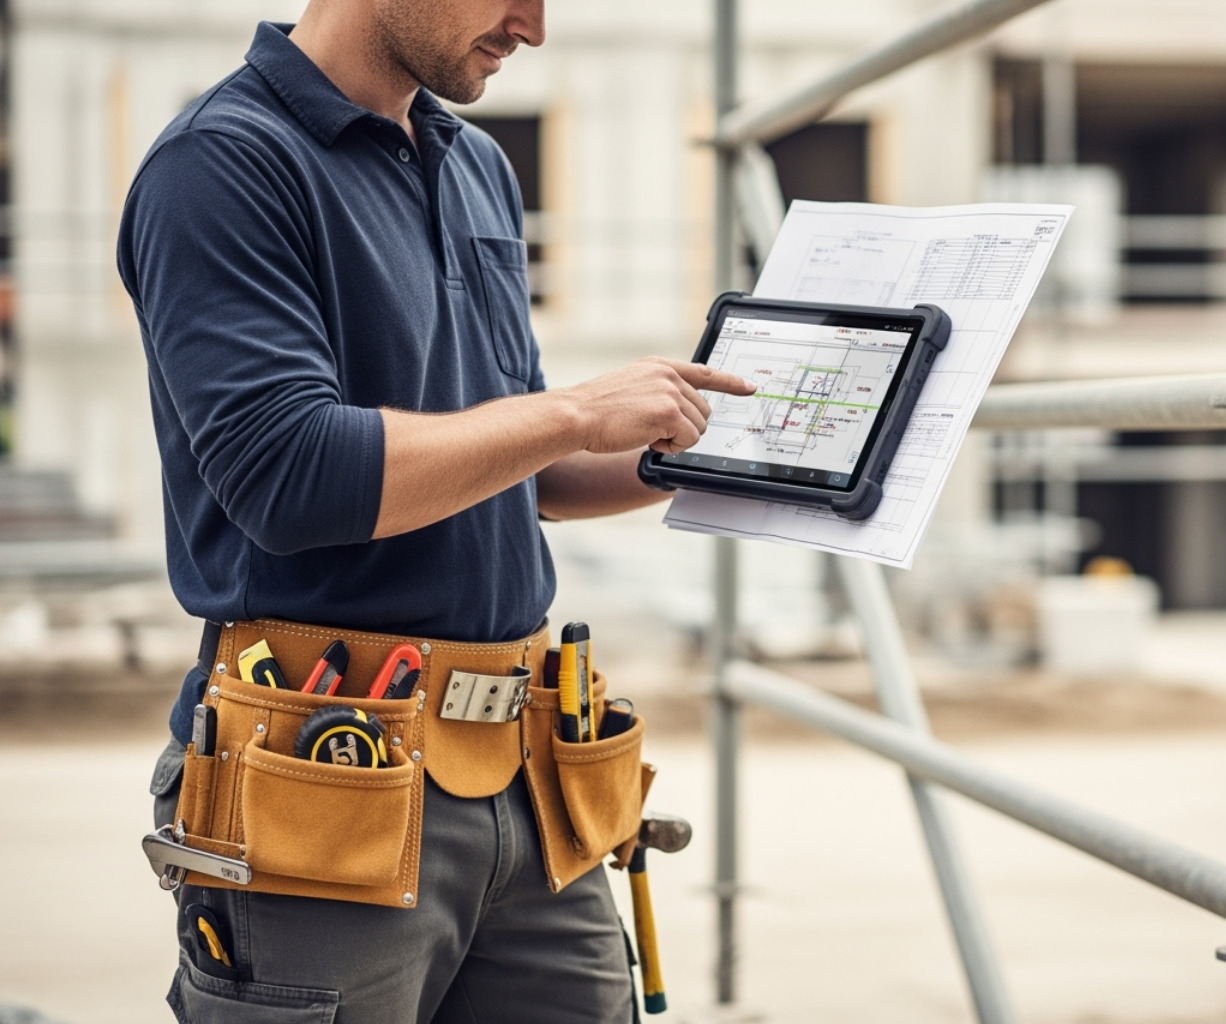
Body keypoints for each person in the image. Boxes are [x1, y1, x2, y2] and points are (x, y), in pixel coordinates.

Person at [116, 0, 754, 1019]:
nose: (533, 28)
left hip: (527, 775)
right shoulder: (221, 166)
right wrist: (575, 410)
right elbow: (291, 473)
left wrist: (724, 460)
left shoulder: (473, 164)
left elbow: (521, 468)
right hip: (328, 772)